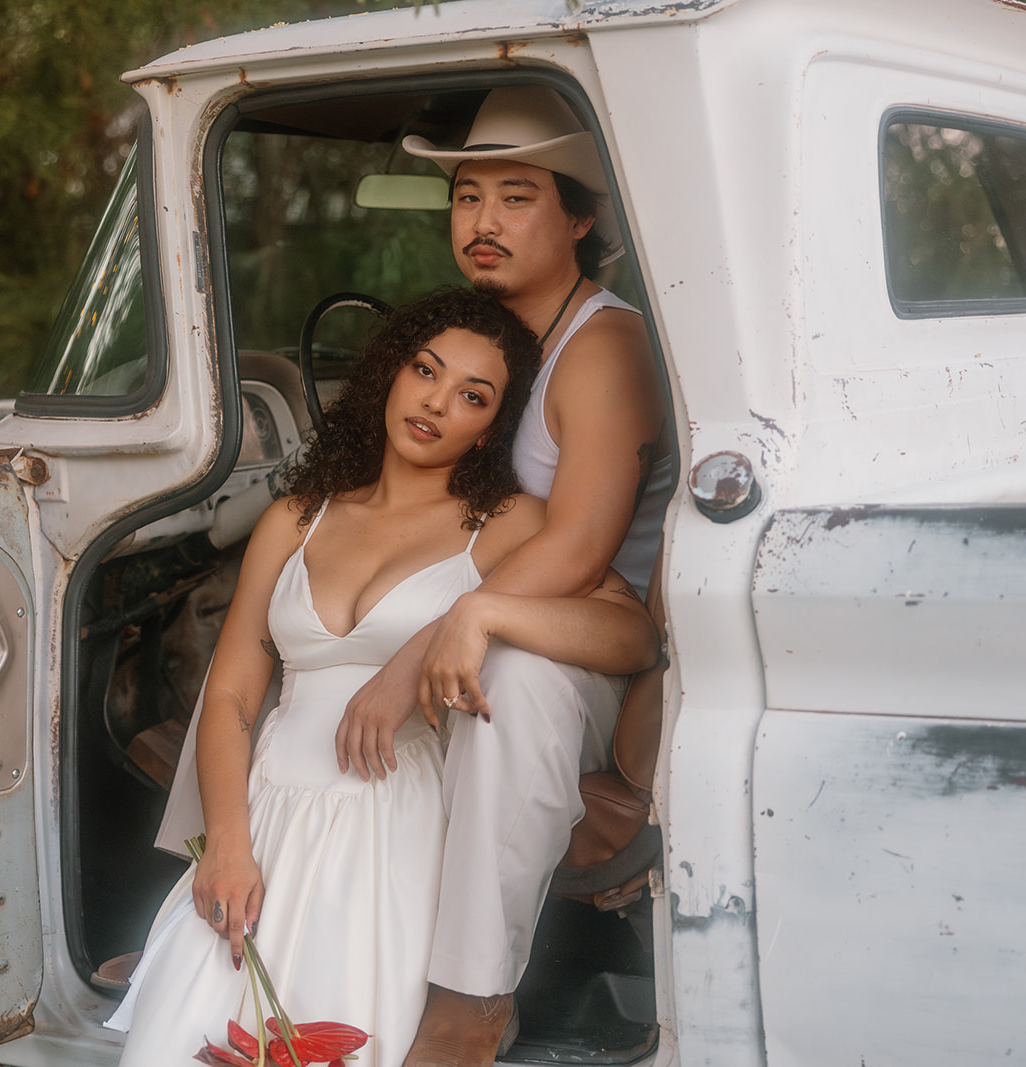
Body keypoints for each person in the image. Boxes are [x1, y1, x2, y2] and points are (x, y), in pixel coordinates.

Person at [106, 288, 655, 1066]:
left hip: (396, 828)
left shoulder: (507, 524)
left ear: (491, 427)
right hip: (267, 819)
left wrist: (477, 615)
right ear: (391, 374)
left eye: (473, 395)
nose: (436, 401)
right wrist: (227, 842)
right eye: (425, 370)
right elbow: (229, 697)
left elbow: (631, 636)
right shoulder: (295, 517)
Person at [325, 86, 677, 1064]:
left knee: (504, 680)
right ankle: (277, 934)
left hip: (592, 650)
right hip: (486, 613)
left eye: (515, 196)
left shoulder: (602, 343)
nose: (481, 221)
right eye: (466, 195)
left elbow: (579, 547)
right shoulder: (489, 339)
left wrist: (425, 646)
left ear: (579, 216)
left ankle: (468, 1000)